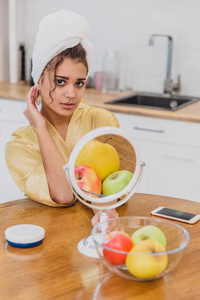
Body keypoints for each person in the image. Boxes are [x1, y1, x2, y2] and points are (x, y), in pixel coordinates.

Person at [5, 10, 119, 225]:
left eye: (79, 83)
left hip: (97, 240)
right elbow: (64, 195)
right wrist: (40, 126)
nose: (71, 94)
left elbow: (114, 192)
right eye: (60, 81)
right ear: (39, 81)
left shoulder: (102, 123)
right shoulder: (19, 147)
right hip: (46, 242)